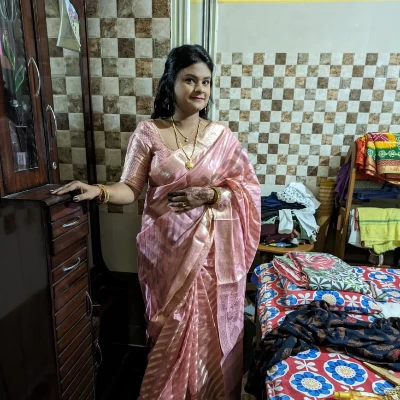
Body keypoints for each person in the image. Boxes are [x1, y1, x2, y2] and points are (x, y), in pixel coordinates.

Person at [51, 44, 261, 399]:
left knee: (208, 331)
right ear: (171, 82)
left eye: (206, 82)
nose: (200, 89)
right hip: (165, 255)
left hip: (211, 257)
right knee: (172, 330)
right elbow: (130, 188)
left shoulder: (223, 137)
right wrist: (98, 190)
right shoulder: (149, 132)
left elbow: (246, 190)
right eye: (190, 80)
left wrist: (209, 194)